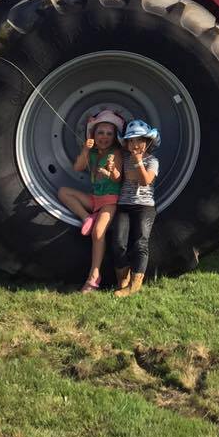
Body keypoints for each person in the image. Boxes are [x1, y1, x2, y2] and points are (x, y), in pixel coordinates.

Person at [58, 109, 125, 294]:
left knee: (97, 233)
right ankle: (86, 217)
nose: (104, 137)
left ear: (114, 136)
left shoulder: (116, 153)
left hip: (110, 200)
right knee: (63, 192)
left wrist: (110, 171)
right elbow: (78, 167)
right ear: (93, 134)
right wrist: (86, 150)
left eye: (109, 134)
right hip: (95, 199)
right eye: (100, 132)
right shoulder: (94, 152)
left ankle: (94, 277)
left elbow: (118, 179)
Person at [111, 119, 161, 297]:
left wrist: (138, 162)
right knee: (118, 242)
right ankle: (122, 281)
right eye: (131, 140)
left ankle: (135, 284)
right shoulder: (124, 158)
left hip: (144, 206)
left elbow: (145, 180)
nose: (135, 144)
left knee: (140, 242)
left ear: (147, 142)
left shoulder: (152, 161)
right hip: (124, 204)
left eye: (139, 140)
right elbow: (119, 177)